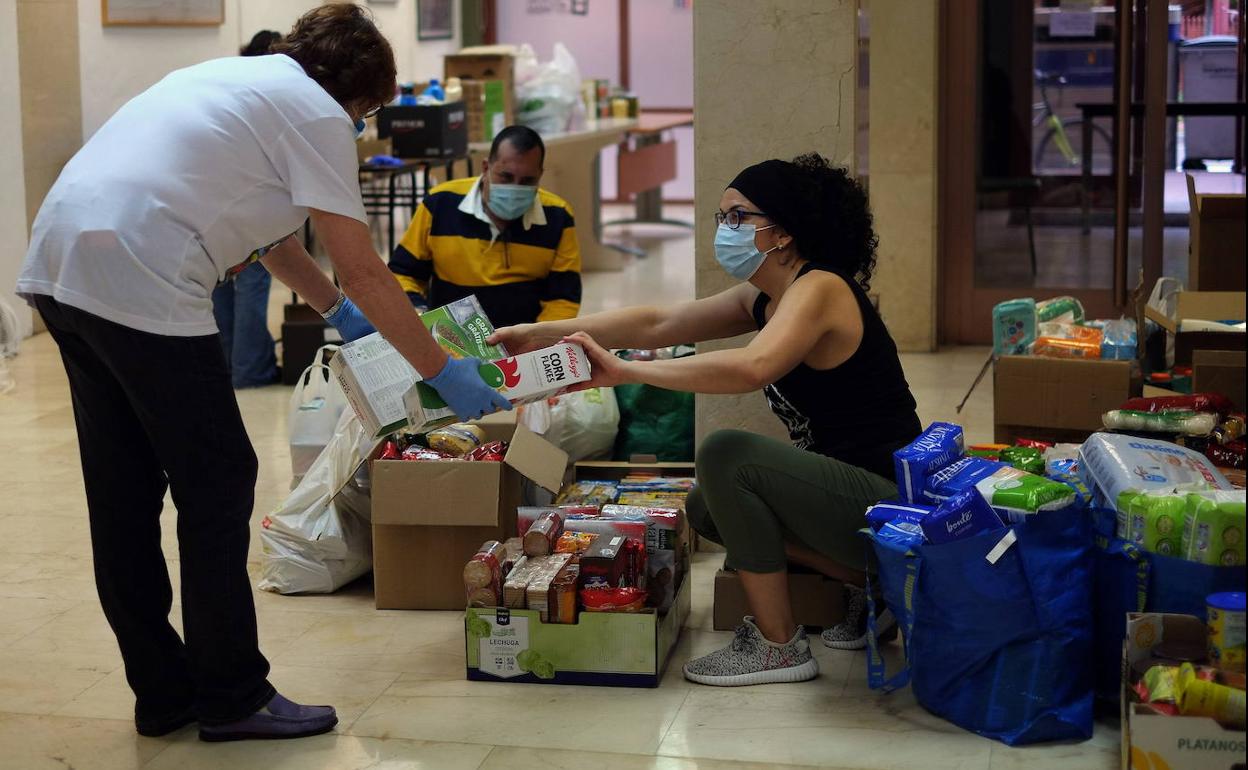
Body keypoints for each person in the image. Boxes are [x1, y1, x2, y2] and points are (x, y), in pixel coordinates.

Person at [16, 4, 508, 742]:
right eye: (370, 112)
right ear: (361, 94)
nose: (365, 125)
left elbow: (277, 239)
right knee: (217, 481)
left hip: (57, 265)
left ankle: (163, 693)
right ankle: (232, 693)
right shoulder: (316, 114)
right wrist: (442, 370)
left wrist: (337, 313)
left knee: (122, 493)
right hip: (143, 276)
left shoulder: (231, 78)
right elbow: (366, 266)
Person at [490, 153, 922, 687]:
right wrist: (540, 334)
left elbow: (752, 366)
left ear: (782, 232)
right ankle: (877, 584)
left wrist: (627, 372)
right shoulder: (768, 296)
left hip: (890, 502)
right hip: (851, 497)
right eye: (722, 218)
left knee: (725, 455)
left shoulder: (820, 288)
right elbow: (663, 321)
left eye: (738, 217)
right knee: (706, 507)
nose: (726, 230)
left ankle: (779, 648)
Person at [387, 125, 581, 327]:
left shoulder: (558, 216)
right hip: (449, 339)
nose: (515, 188)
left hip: (525, 344)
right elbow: (403, 273)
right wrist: (420, 315)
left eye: (527, 180)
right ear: (486, 167)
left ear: (540, 175)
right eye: (506, 177)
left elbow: (564, 298)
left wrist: (537, 339)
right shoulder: (440, 204)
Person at [210, 29, 286, 388]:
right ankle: (250, 369)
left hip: (211, 201)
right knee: (254, 282)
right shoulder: (275, 95)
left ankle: (226, 365)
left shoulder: (230, 88)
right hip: (254, 203)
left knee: (221, 283)